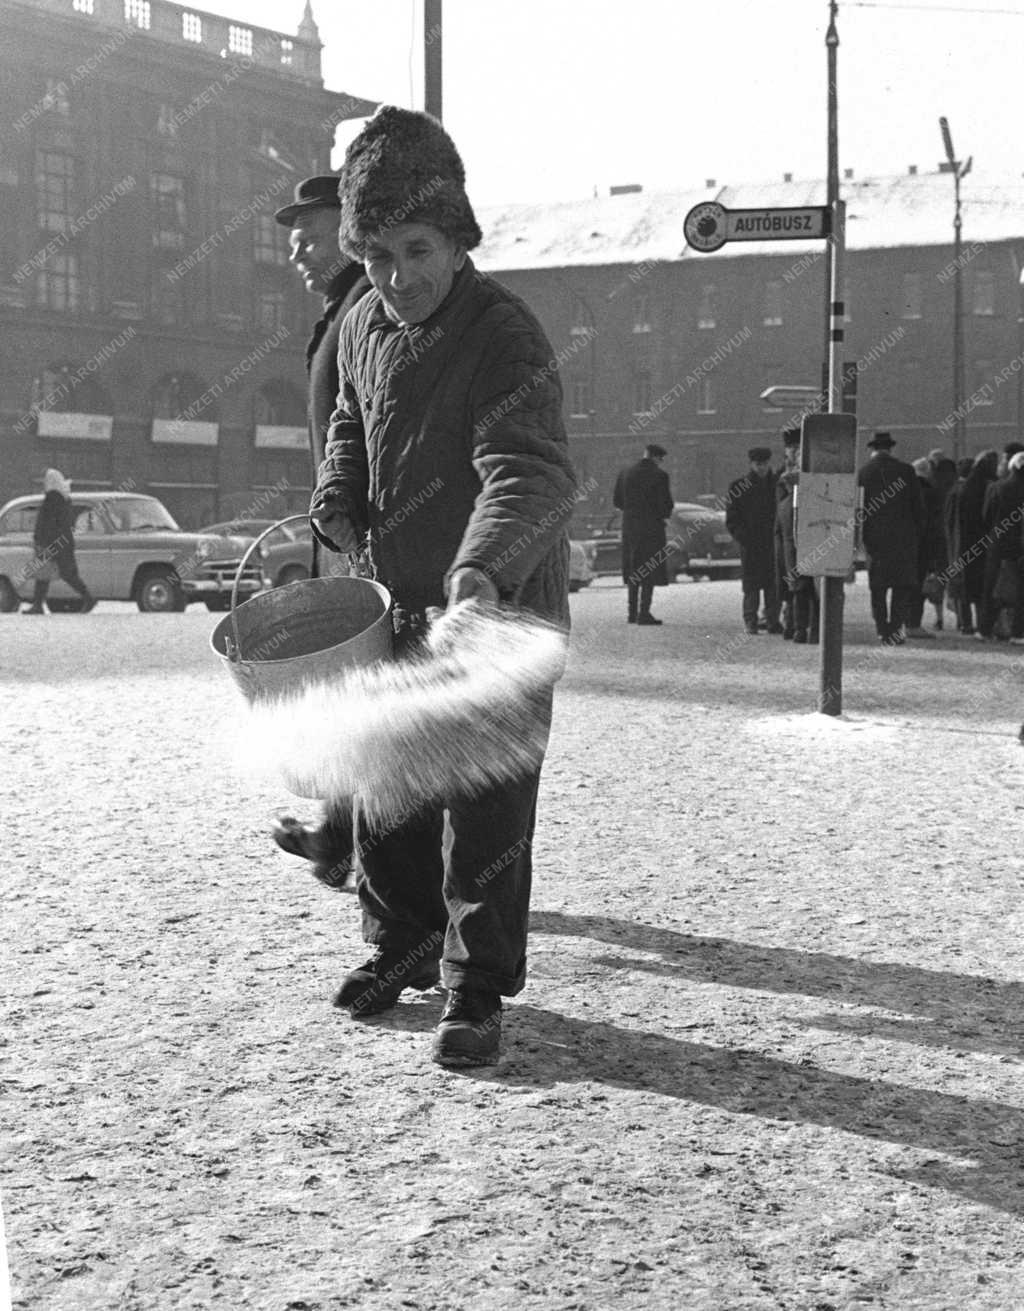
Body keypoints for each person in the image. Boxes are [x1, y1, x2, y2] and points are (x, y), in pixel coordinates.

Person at [309, 106, 578, 1067]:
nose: (396, 276)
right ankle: (399, 943)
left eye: (415, 248)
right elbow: (351, 419)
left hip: (497, 610)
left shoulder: (504, 334)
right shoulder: (366, 326)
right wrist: (338, 495)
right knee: (391, 791)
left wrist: (478, 571)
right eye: (375, 254)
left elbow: (529, 471)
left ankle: (475, 988)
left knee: (485, 808)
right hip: (404, 603)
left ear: (458, 237)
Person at [268, 175, 371, 885]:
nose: (297, 253)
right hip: (344, 536)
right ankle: (342, 838)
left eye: (309, 236)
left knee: (368, 695)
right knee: (349, 690)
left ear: (348, 226)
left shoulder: (367, 304)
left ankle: (356, 847)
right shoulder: (343, 308)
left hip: (364, 539)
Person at [857, 432, 923, 645]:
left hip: (875, 541)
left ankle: (881, 629)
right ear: (890, 448)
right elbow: (918, 508)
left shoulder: (864, 473)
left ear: (873, 449)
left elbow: (859, 510)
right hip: (903, 540)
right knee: (901, 587)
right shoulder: (906, 471)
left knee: (878, 588)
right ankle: (895, 630)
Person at [612, 443, 674, 625]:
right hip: (652, 529)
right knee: (650, 569)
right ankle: (644, 612)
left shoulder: (625, 473)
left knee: (633, 569)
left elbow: (617, 500)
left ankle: (631, 613)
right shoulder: (660, 476)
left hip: (630, 527)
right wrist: (661, 515)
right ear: (657, 457)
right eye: (660, 459)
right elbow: (666, 505)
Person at [23, 468, 95, 615]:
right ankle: (38, 605)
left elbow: (48, 522)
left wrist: (42, 540)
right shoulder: (63, 498)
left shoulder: (53, 498)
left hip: (51, 542)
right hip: (62, 542)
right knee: (62, 573)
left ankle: (88, 598)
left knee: (49, 574)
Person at [725, 446, 781, 635]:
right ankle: (751, 621)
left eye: (764, 464)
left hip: (771, 543)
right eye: (758, 464)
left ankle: (772, 620)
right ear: (752, 464)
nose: (762, 468)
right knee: (752, 586)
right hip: (752, 544)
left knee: (772, 585)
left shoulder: (776, 484)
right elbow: (732, 519)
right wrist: (744, 538)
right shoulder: (740, 486)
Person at [945, 449, 997, 635]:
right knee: (983, 585)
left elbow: (952, 521)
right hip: (985, 544)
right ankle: (982, 624)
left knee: (965, 585)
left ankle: (965, 623)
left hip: (964, 544)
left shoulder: (961, 490)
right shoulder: (990, 487)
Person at [774, 429, 819, 644]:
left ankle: (796, 628)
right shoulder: (808, 494)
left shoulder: (783, 503)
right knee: (813, 590)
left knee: (797, 589)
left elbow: (779, 532)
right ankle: (812, 629)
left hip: (790, 550)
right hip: (809, 545)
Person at [979, 444, 1024, 642]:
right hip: (1020, 546)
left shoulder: (996, 487)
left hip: (997, 544)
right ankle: (1018, 632)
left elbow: (986, 517)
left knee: (991, 587)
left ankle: (985, 628)